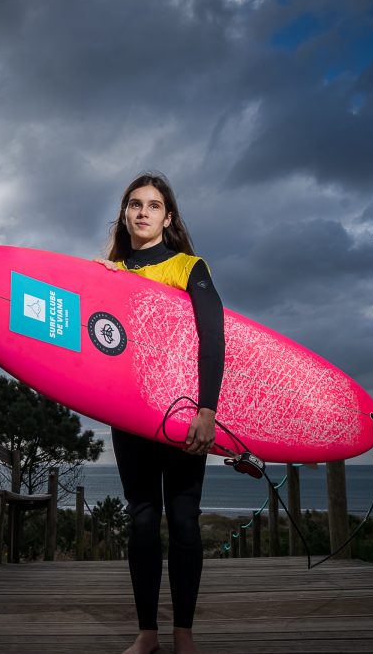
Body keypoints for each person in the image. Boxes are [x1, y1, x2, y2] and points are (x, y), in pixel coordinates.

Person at [95, 172, 225, 654]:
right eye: (134, 204)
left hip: (184, 411)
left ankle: (183, 634)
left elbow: (214, 340)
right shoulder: (110, 273)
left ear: (167, 218)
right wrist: (93, 284)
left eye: (153, 205)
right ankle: (147, 632)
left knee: (186, 521)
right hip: (131, 415)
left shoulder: (189, 267)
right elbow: (94, 344)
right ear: (125, 214)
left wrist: (208, 410)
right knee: (143, 519)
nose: (143, 212)